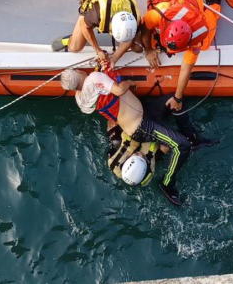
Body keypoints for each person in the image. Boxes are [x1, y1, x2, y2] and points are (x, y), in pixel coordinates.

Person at [60, 68, 214, 206]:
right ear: (78, 73)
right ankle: (167, 183)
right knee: (182, 146)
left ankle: (193, 137)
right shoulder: (94, 78)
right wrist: (129, 82)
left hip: (144, 112)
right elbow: (119, 89)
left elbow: (98, 87)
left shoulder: (82, 98)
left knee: (176, 100)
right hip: (142, 127)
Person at [139, 0, 225, 113]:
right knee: (148, 40)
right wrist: (148, 50)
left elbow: (186, 67)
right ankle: (213, 2)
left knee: (207, 41)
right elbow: (145, 29)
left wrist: (177, 98)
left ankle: (214, 1)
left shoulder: (198, 37)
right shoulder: (157, 14)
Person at [51, 0, 141, 69]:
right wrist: (98, 50)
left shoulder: (135, 18)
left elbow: (128, 39)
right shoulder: (97, 13)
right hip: (97, 0)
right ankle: (68, 39)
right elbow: (84, 25)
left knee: (138, 48)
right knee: (75, 47)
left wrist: (113, 59)